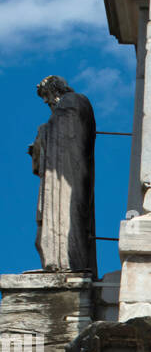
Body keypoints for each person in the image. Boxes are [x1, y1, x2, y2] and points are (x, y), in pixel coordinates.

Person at [29, 76, 96, 273]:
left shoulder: (73, 102)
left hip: (66, 175)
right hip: (58, 174)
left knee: (67, 215)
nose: (45, 101)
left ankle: (63, 262)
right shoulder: (64, 109)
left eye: (46, 95)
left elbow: (69, 135)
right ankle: (56, 261)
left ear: (55, 89)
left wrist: (43, 133)